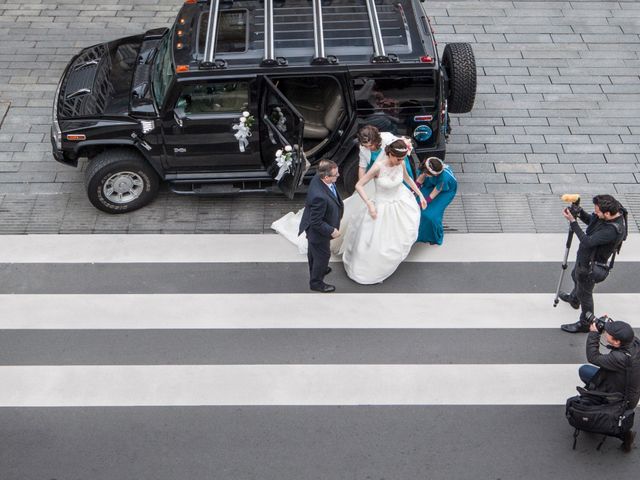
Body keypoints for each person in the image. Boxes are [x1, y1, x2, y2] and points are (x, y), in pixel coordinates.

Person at [341, 139, 426, 284]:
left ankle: (389, 263)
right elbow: (359, 185)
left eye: (402, 159)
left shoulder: (402, 163)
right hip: (380, 206)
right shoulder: (378, 167)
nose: (400, 161)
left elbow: (407, 179)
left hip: (399, 202)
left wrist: (420, 194)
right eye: (398, 158)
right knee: (374, 239)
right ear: (390, 154)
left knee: (398, 236)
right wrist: (369, 204)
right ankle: (370, 269)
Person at [559, 194, 627, 333]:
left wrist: (573, 221)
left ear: (607, 213)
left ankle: (585, 323)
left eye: (597, 212)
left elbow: (588, 241)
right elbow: (592, 223)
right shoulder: (609, 216)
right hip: (584, 260)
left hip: (591, 267)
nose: (595, 213)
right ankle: (574, 298)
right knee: (575, 276)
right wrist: (580, 212)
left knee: (585, 294)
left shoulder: (612, 231)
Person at [578, 318, 640, 452]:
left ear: (617, 342)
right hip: (632, 392)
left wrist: (594, 333)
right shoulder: (634, 342)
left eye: (608, 333)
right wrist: (607, 323)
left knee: (584, 371)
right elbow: (622, 331)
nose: (605, 333)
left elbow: (593, 357)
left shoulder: (620, 358)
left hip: (620, 397)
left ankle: (598, 413)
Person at [298, 159, 343, 293]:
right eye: (335, 174)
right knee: (323, 255)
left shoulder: (318, 178)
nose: (339, 175)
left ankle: (318, 268)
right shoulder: (320, 197)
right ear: (326, 176)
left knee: (314, 252)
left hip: (315, 230)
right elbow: (316, 222)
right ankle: (316, 282)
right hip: (318, 232)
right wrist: (332, 230)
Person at [415, 157, 457, 245]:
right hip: (430, 183)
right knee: (419, 211)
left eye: (427, 174)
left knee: (431, 215)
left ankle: (435, 236)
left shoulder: (444, 178)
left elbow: (432, 195)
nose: (424, 174)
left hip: (444, 191)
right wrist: (412, 191)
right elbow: (420, 179)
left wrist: (420, 204)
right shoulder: (427, 167)